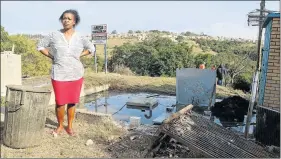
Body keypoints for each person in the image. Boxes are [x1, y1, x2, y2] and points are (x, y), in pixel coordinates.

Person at [37, 9, 95, 136]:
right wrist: (52, 56)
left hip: (76, 74)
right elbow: (40, 46)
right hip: (59, 73)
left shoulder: (80, 37)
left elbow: (92, 48)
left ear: (74, 22)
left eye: (69, 18)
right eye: (64, 18)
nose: (66, 20)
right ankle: (59, 126)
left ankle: (70, 127)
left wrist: (81, 55)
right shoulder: (54, 35)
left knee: (72, 101)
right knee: (60, 102)